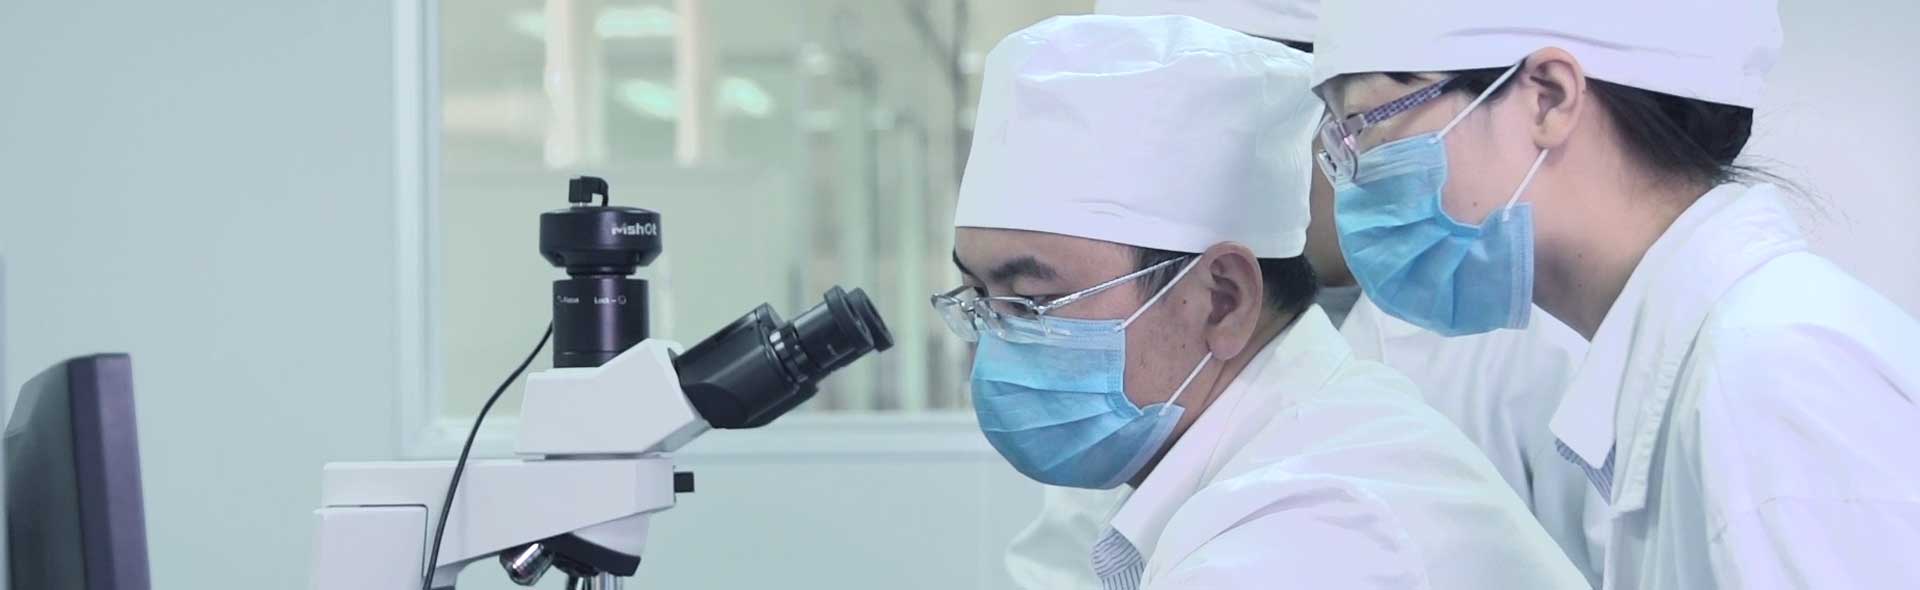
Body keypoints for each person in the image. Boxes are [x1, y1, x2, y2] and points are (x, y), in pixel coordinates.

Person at [941, 14, 1586, 589]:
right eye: (979, 299)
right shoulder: (1274, 455)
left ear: (1223, 299)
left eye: (1033, 301)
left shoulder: (1309, 533)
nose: (991, 352)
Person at [1311, 0, 1920, 587]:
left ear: (1548, 98)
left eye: (1364, 124)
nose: (1348, 175)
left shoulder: (1771, 376)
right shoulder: (1695, 367)